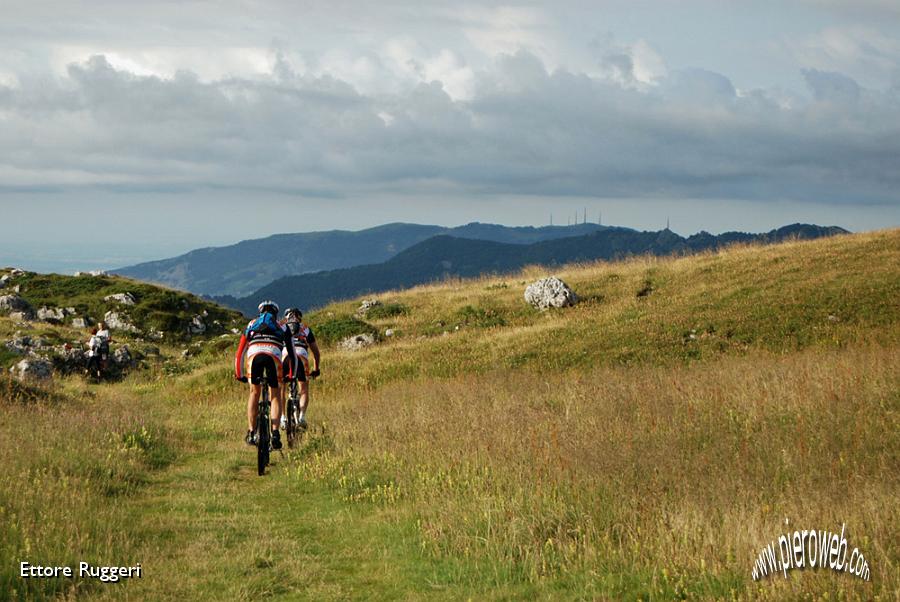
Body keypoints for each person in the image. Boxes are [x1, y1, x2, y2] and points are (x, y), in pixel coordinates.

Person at [234, 300, 297, 450]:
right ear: (276, 312)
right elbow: (293, 354)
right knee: (275, 394)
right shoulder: (282, 326)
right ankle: (275, 433)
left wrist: (239, 374)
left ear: (260, 312)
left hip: (254, 356)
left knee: (254, 393)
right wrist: (291, 374)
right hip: (273, 356)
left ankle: (251, 432)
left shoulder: (251, 324)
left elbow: (239, 354)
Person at [280, 307, 321, 430]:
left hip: (286, 356)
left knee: (281, 387)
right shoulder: (305, 329)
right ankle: (302, 417)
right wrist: (316, 369)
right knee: (303, 388)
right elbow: (316, 352)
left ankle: (282, 418)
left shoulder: (282, 327)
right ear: (299, 318)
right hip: (301, 357)